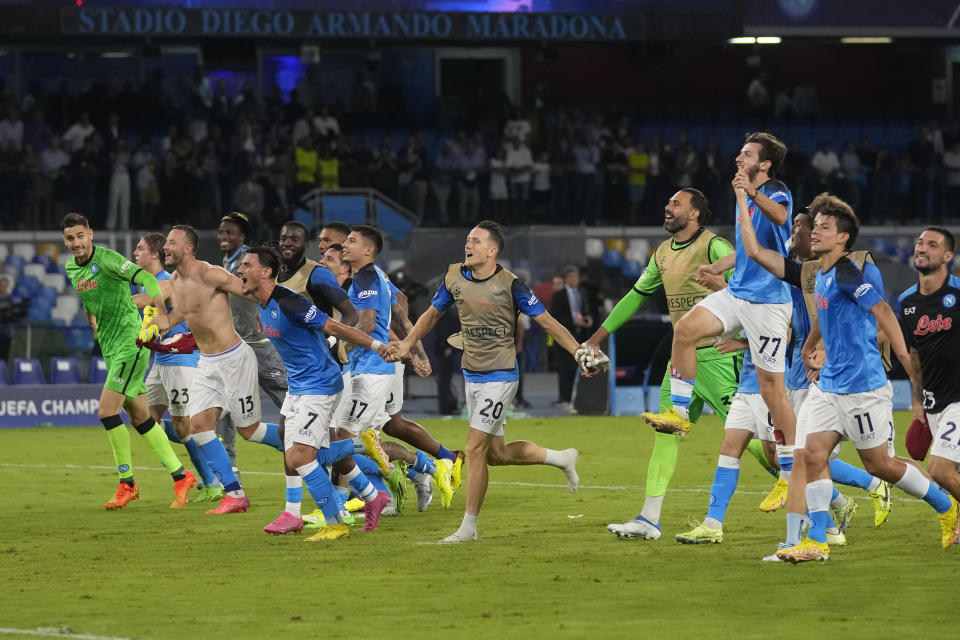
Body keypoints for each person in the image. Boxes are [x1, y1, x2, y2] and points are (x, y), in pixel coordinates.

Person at [731, 193, 959, 561]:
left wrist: (903, 356)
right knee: (809, 455)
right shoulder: (820, 273)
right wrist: (810, 344)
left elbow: (882, 309)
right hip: (829, 386)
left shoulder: (847, 272)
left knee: (880, 465)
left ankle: (945, 506)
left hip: (863, 389)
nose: (816, 231)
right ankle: (817, 541)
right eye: (815, 225)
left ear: (843, 238)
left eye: (825, 227)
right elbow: (824, 313)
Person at [388, 221, 589, 543]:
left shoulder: (512, 286)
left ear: (492, 251)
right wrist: (408, 343)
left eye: (476, 241)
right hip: (472, 375)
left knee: (474, 449)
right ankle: (561, 457)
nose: (468, 245)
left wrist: (579, 353)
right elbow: (430, 315)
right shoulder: (454, 276)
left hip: (501, 377)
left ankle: (468, 529)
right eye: (467, 239)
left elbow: (549, 323)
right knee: (496, 454)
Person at [594, 188, 774, 540]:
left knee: (755, 442)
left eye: (676, 203)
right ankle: (649, 519)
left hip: (720, 358)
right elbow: (635, 297)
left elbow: (748, 290)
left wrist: (720, 283)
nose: (667, 206)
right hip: (682, 360)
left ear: (695, 214)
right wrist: (597, 337)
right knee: (665, 433)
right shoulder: (661, 253)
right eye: (668, 202)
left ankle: (825, 492)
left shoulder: (714, 247)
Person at [643, 133, 799, 529]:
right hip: (741, 292)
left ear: (763, 165)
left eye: (746, 154)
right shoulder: (744, 194)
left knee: (771, 390)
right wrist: (720, 265)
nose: (737, 158)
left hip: (768, 302)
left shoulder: (776, 191)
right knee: (686, 330)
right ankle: (679, 413)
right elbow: (748, 249)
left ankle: (790, 469)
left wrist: (749, 193)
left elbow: (781, 220)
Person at [236, 245, 393, 540]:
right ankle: (369, 485)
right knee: (296, 449)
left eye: (246, 265)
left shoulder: (290, 303)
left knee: (299, 457)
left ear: (266, 272)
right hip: (299, 387)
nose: (240, 270)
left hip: (319, 385)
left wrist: (377, 346)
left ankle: (335, 523)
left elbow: (334, 325)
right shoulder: (261, 303)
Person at [146, 225, 289, 515]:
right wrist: (159, 325)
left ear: (188, 248)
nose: (166, 248)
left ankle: (301, 445)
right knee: (198, 427)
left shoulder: (211, 274)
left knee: (250, 431)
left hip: (235, 360)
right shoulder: (174, 280)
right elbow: (182, 314)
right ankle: (235, 494)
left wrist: (287, 316)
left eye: (172, 243)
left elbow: (254, 292)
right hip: (206, 363)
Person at [61, 213, 195, 509]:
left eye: (80, 236)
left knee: (107, 412)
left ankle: (127, 483)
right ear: (65, 241)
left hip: (131, 344)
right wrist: (91, 315)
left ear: (91, 235)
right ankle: (181, 476)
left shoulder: (109, 260)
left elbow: (147, 278)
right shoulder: (71, 267)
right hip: (111, 347)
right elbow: (91, 298)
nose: (76, 243)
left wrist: (161, 310)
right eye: (70, 238)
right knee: (141, 418)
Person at [131, 232, 223, 503]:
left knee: (184, 428)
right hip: (161, 362)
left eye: (140, 249)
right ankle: (194, 471)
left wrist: (110, 303)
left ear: (154, 255)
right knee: (144, 419)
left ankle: (211, 480)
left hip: (182, 362)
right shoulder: (150, 284)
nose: (135, 253)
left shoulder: (164, 283)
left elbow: (148, 301)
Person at [217, 212, 288, 475]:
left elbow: (266, 289)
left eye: (230, 232)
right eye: (222, 232)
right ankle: (229, 468)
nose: (224, 237)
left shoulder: (248, 262)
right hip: (234, 346)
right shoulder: (226, 261)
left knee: (291, 399)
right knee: (224, 405)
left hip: (259, 345)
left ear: (242, 237)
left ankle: (314, 443)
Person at [898, 227, 960, 505]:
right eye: (920, 243)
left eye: (932, 245)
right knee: (950, 474)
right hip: (934, 402)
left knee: (939, 469)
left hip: (958, 400)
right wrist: (917, 402)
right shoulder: (907, 302)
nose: (922, 248)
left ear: (948, 256)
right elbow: (915, 355)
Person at [550, 265, 594, 412]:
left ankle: (580, 399)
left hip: (581, 336)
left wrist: (589, 319)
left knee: (581, 368)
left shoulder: (583, 293)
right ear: (566, 279)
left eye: (575, 277)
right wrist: (574, 321)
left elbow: (588, 310)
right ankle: (565, 398)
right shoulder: (559, 295)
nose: (574, 279)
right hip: (565, 338)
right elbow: (555, 318)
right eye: (570, 277)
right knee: (565, 369)